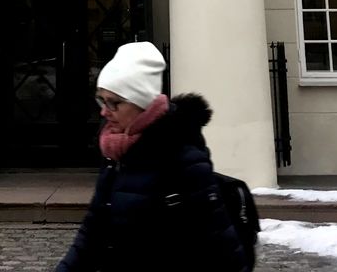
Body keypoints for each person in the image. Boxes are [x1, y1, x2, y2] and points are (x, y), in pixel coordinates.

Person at [55, 42, 251, 272]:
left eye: (114, 103)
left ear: (142, 104)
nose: (104, 111)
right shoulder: (116, 152)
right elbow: (93, 231)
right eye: (101, 100)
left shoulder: (183, 159)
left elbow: (223, 248)